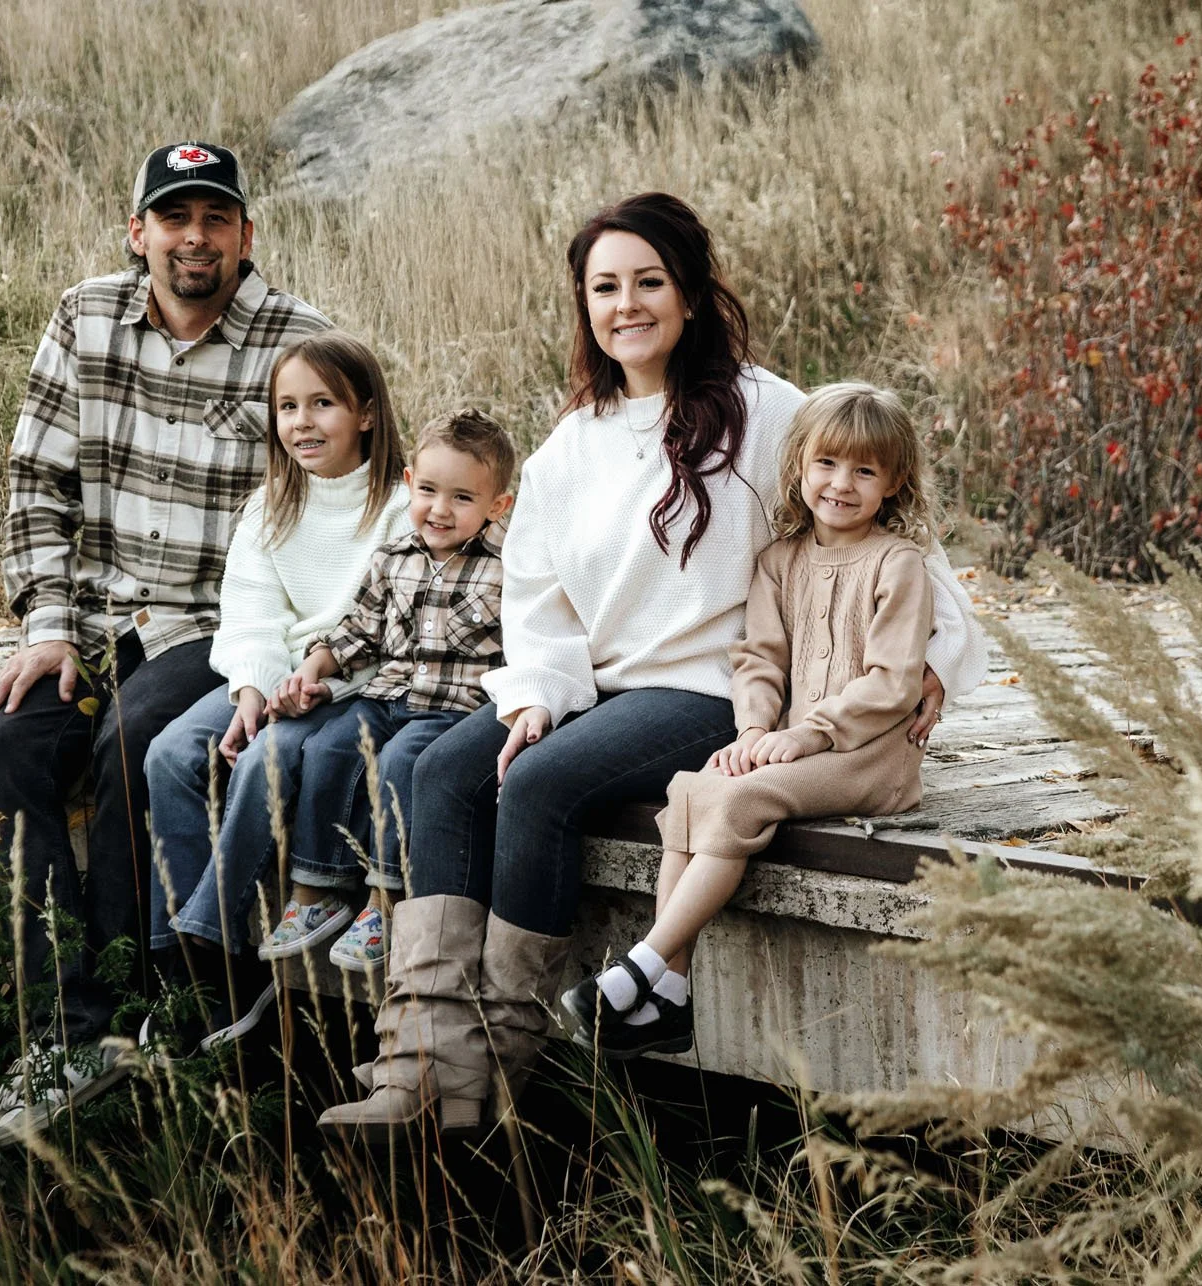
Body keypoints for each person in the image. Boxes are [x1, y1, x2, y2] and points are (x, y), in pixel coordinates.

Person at [318, 192, 987, 1140]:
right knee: (445, 770)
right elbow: (539, 602)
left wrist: (936, 665)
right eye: (603, 287)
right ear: (584, 306)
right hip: (603, 689)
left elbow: (896, 539)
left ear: (689, 293)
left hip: (715, 692)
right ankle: (423, 1067)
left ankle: (496, 1064)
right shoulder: (567, 448)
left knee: (541, 789)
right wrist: (541, 697)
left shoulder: (766, 411)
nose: (625, 304)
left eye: (647, 282)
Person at [0, 141, 330, 1141]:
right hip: (96, 618)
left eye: (217, 218)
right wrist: (49, 628)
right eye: (175, 218)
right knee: (10, 744)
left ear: (245, 234)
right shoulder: (85, 317)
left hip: (219, 626)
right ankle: (64, 1029)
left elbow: (339, 502)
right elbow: (36, 486)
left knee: (131, 744)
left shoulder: (296, 344)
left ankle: (135, 1014)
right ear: (140, 233)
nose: (196, 238)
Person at [559, 383, 935, 1056]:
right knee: (692, 788)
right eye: (827, 464)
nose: (841, 485)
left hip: (869, 756)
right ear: (799, 467)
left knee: (743, 799)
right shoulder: (780, 561)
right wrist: (754, 732)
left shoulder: (897, 563)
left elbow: (893, 679)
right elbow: (758, 660)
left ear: (893, 482)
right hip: (792, 742)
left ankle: (644, 964)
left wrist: (806, 734)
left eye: (865, 471)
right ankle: (670, 990)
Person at [141, 331, 409, 1056]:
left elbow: (393, 626)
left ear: (368, 413)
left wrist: (314, 685)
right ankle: (181, 965)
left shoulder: (401, 508)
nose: (302, 422)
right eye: (287, 406)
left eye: (323, 403)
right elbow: (252, 612)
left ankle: (215, 954)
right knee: (170, 753)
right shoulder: (270, 506)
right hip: (276, 676)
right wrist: (254, 690)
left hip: (351, 682)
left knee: (267, 758)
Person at [269, 408, 517, 972]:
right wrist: (314, 667)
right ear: (409, 483)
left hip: (453, 710)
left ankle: (384, 899)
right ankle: (317, 890)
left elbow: (523, 646)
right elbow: (356, 630)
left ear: (497, 506)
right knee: (330, 746)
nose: (439, 509)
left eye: (462, 498)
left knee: (404, 760)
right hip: (388, 696)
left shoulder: (507, 567)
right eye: (428, 490)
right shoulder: (393, 557)